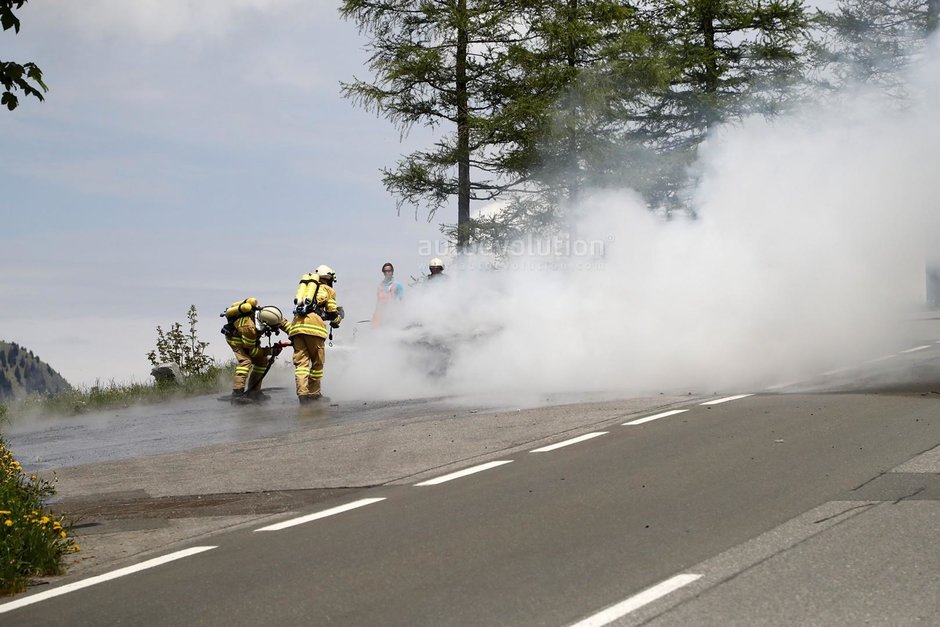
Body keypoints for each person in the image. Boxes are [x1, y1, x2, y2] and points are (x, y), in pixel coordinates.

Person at [286, 265, 344, 403]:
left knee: (301, 365)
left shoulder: (306, 291)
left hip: (296, 327)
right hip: (314, 328)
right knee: (317, 363)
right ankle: (314, 393)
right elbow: (331, 312)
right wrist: (339, 317)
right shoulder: (328, 290)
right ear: (329, 278)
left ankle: (303, 396)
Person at [221, 298, 287, 403]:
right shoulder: (249, 329)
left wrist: (294, 334)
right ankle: (237, 393)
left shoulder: (268, 314)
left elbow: (282, 323)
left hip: (250, 341)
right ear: (265, 323)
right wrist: (270, 351)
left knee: (262, 361)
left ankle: (254, 392)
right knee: (246, 362)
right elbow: (252, 352)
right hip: (236, 339)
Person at [372, 261, 404, 327]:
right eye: (385, 271)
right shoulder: (380, 285)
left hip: (393, 315)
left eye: (389, 271)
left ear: (392, 272)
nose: (387, 273)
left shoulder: (397, 285)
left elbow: (402, 301)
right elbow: (378, 302)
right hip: (382, 315)